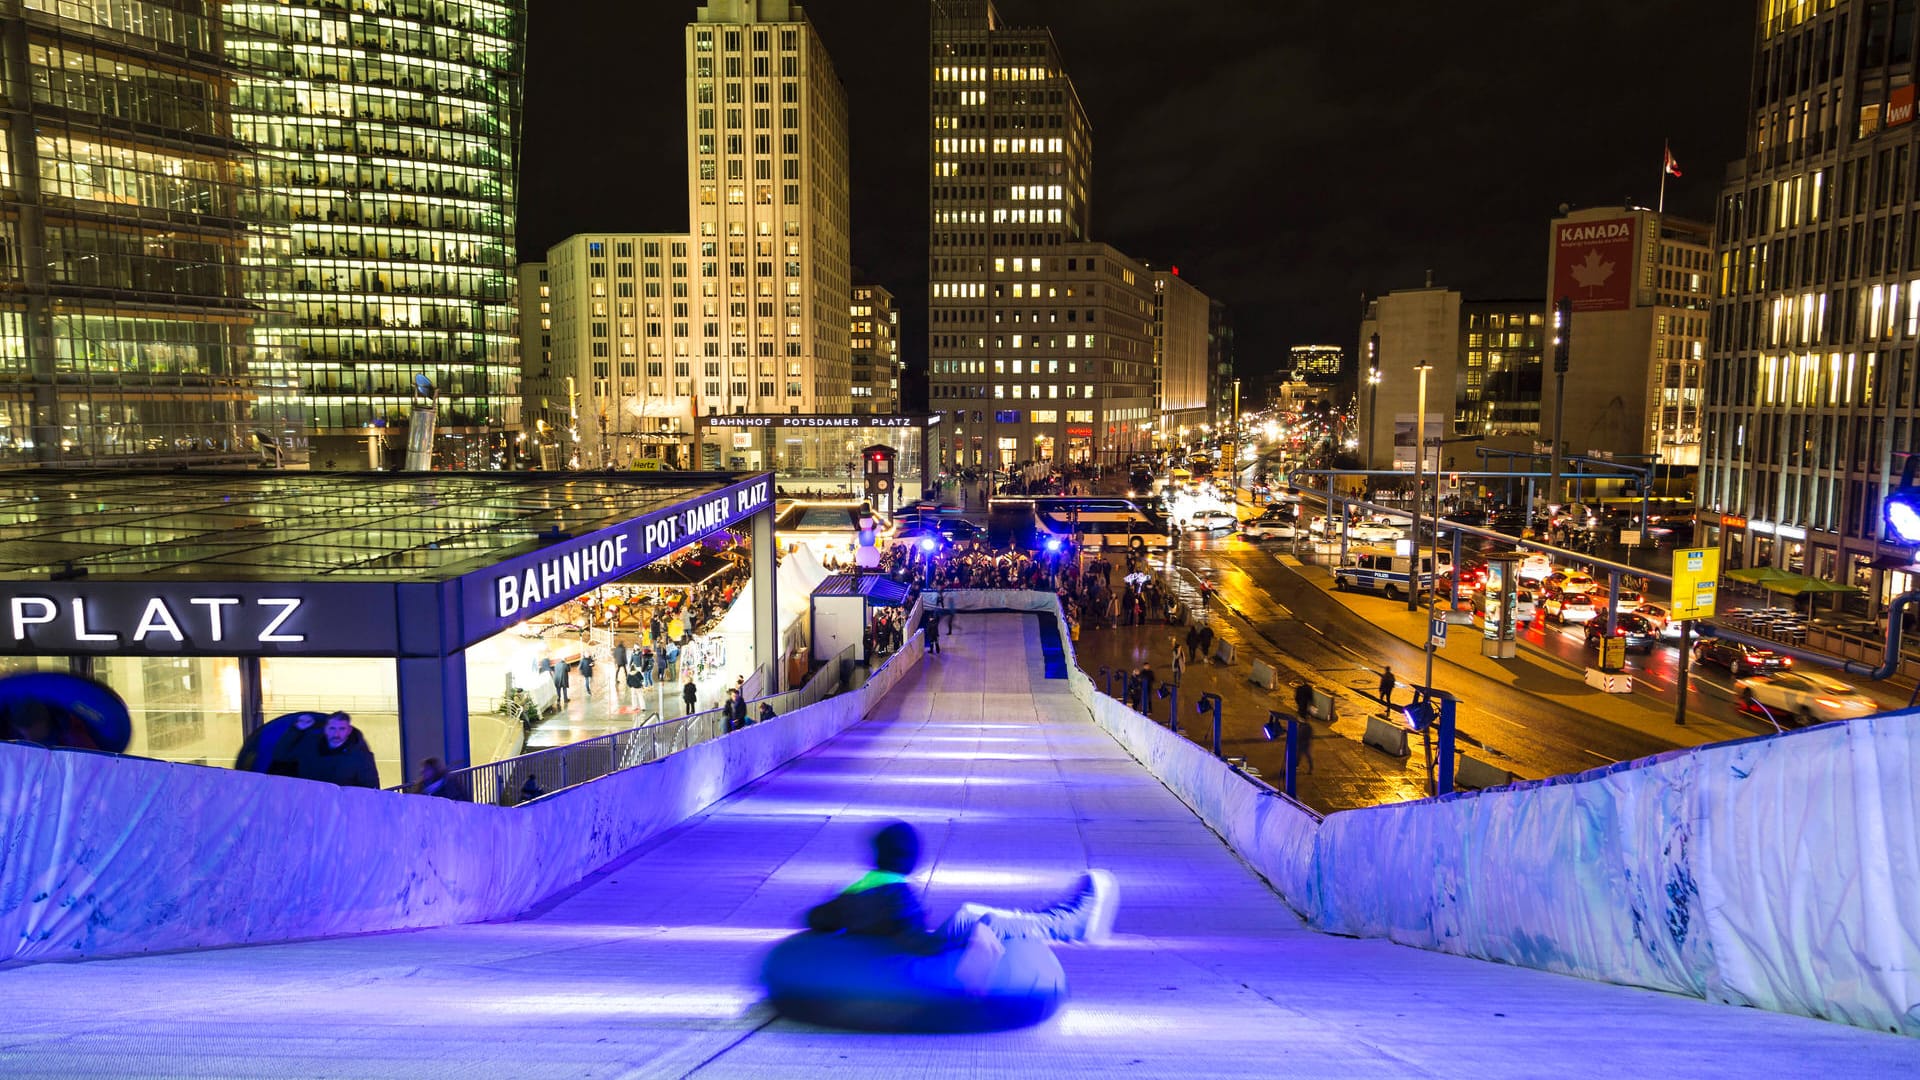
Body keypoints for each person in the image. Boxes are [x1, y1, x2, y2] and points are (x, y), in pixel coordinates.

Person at [806, 821, 1118, 963]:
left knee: (969, 913)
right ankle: (1071, 924)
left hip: (880, 945)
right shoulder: (896, 896)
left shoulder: (856, 888)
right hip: (905, 958)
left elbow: (816, 918)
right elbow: (917, 944)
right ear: (910, 861)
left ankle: (1053, 918)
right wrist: (973, 940)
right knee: (983, 922)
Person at [271, 711, 379, 788]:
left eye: (342, 729)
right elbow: (280, 755)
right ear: (325, 729)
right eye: (332, 728)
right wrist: (296, 730)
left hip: (340, 812)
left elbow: (371, 789)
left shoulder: (361, 756)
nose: (336, 734)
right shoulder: (308, 746)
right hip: (308, 806)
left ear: (349, 730)